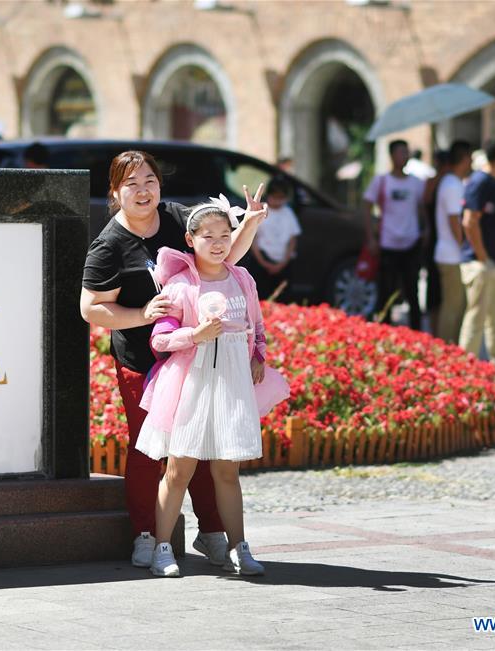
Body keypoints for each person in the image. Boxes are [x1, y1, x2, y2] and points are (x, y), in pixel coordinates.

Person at [79, 151, 268, 569]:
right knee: (151, 450)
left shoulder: (179, 218)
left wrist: (250, 222)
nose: (143, 190)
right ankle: (146, 535)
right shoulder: (109, 246)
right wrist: (141, 315)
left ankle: (213, 532)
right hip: (142, 360)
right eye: (131, 184)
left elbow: (224, 254)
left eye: (150, 180)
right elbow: (90, 308)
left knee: (201, 442)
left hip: (195, 356)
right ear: (115, 193)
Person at [135, 198, 289, 577]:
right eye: (209, 236)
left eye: (225, 235)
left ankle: (239, 547)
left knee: (227, 470)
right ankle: (162, 547)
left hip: (233, 381)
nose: (218, 243)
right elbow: (160, 340)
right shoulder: (181, 285)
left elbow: (258, 325)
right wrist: (195, 334)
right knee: (178, 468)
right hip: (192, 383)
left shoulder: (242, 279)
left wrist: (258, 356)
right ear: (191, 239)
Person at [458, 136, 495, 366]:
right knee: (476, 318)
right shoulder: (479, 182)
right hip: (480, 263)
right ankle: (465, 366)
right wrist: (482, 257)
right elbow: (469, 221)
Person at [363, 139, 426, 329]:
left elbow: (422, 208)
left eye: (407, 152)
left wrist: (426, 230)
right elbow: (367, 206)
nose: (404, 156)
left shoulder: (416, 183)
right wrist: (371, 238)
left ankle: (417, 333)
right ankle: (384, 332)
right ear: (392, 156)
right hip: (388, 244)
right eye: (401, 152)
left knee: (412, 293)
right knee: (386, 292)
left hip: (411, 243)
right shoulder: (381, 181)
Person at [434, 140, 472, 344]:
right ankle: (446, 349)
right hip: (451, 255)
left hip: (450, 253)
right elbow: (453, 220)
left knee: (456, 306)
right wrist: (463, 247)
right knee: (453, 307)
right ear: (464, 159)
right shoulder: (452, 184)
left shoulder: (452, 183)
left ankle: (449, 348)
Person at [246, 177, 301, 302]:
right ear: (268, 195)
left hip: (283, 261)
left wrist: (283, 262)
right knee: (260, 297)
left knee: (282, 298)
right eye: (275, 197)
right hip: (262, 260)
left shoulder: (288, 213)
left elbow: (292, 240)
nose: (277, 201)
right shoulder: (261, 211)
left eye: (281, 197)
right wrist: (263, 261)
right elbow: (253, 238)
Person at [422, 149, 450, 337]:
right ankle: (435, 332)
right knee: (434, 294)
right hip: (435, 241)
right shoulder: (433, 183)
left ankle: (441, 332)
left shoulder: (450, 183)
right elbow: (426, 203)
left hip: (440, 241)